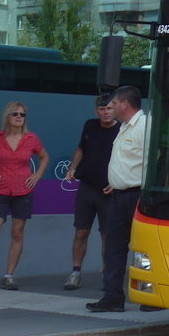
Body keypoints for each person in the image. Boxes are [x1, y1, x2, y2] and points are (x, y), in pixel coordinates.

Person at [0, 101, 51, 291]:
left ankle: (9, 276)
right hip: (0, 189)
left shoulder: (31, 138)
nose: (19, 117)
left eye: (22, 114)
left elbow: (44, 156)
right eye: (15, 114)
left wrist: (37, 175)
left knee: (17, 233)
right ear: (7, 116)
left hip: (23, 190)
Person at [86, 86, 148, 313]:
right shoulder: (124, 126)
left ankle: (151, 297)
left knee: (144, 248)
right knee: (114, 247)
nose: (110, 108)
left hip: (138, 195)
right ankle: (112, 297)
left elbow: (155, 162)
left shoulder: (145, 126)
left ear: (125, 104)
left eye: (113, 104)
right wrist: (118, 180)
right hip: (119, 195)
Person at [63, 94, 120, 290]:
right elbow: (81, 149)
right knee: (81, 231)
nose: (106, 112)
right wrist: (72, 168)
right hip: (86, 187)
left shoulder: (122, 130)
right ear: (96, 111)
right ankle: (75, 273)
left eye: (109, 108)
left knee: (106, 235)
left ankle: (107, 276)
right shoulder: (90, 125)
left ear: (115, 110)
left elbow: (127, 159)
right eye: (102, 109)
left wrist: (117, 182)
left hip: (108, 190)